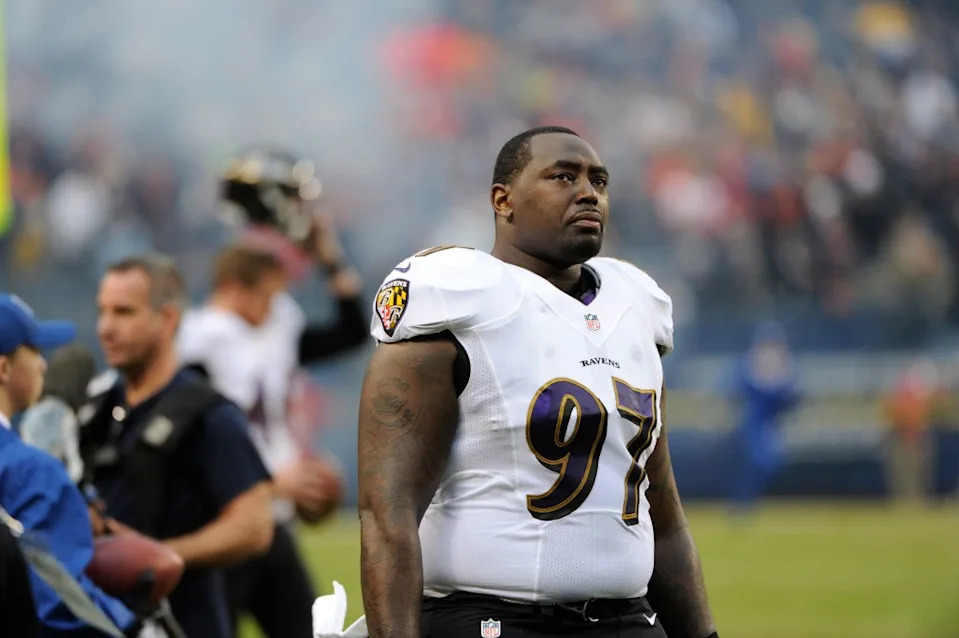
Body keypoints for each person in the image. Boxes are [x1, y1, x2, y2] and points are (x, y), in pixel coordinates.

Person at [357, 127, 718, 638]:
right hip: (495, 620)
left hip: (630, 620)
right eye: (563, 177)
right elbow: (386, 516)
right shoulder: (454, 296)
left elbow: (664, 517)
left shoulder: (635, 303)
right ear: (503, 201)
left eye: (600, 180)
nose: (588, 192)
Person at [177, 147, 364, 638]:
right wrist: (265, 483)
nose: (277, 303)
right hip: (227, 520)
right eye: (268, 292)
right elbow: (187, 442)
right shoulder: (200, 341)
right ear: (237, 288)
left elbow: (351, 332)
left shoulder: (275, 325)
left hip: (274, 523)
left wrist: (331, 260)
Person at [79, 254, 274, 638]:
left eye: (124, 312)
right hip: (103, 621)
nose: (106, 327)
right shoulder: (95, 408)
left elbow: (254, 526)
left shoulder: (209, 415)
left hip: (184, 622)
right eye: (102, 311)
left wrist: (158, 554)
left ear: (167, 319)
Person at [0, 293, 137, 636]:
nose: (43, 364)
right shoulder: (32, 471)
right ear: (4, 368)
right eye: (34, 351)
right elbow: (61, 606)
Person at [727, 321, 800, 513]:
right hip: (751, 424)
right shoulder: (750, 365)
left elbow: (792, 399)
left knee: (767, 463)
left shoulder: (784, 368)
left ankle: (746, 503)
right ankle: (743, 504)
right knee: (757, 462)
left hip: (770, 425)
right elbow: (735, 389)